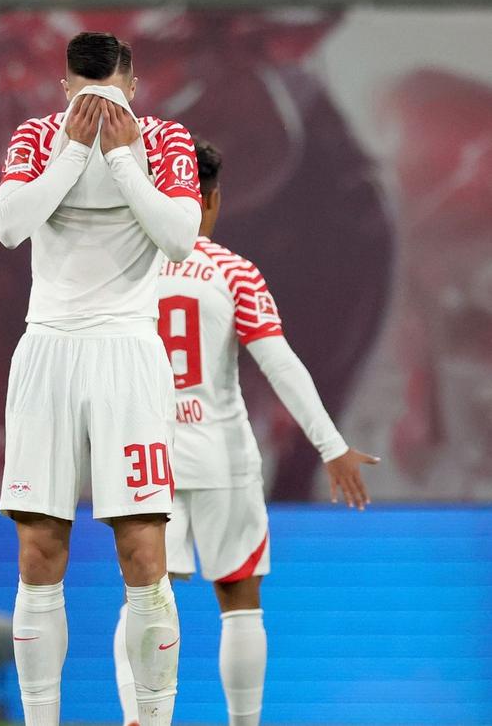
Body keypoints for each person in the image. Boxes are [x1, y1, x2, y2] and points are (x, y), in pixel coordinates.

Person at [110, 140, 376, 726]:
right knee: (240, 602)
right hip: (221, 457)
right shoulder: (233, 273)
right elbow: (280, 364)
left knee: (145, 595)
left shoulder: (123, 272)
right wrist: (331, 446)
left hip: (144, 459)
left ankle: (138, 717)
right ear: (211, 200)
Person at [0, 32, 203, 726]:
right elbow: (8, 227)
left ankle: (154, 719)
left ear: (134, 88)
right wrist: (74, 151)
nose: (99, 111)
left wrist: (119, 159)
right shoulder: (37, 135)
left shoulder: (164, 139)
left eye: (109, 98)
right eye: (86, 100)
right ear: (64, 90)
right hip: (49, 347)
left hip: (127, 350)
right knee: (38, 550)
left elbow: (180, 238)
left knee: (142, 550)